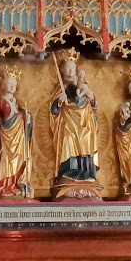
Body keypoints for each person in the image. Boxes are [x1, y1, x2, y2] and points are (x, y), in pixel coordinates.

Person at [50, 54, 99, 191]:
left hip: (84, 122)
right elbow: (53, 111)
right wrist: (59, 102)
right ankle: (69, 172)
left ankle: (87, 172)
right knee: (68, 140)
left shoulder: (82, 85)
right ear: (62, 71)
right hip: (68, 124)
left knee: (87, 139)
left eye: (73, 67)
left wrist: (92, 99)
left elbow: (93, 108)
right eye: (67, 68)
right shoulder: (60, 89)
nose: (71, 70)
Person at [0, 70, 32, 198]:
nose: (12, 86)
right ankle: (3, 185)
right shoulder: (0, 101)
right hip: (6, 136)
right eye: (9, 83)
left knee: (19, 157)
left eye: (14, 84)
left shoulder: (18, 102)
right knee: (5, 158)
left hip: (18, 137)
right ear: (3, 85)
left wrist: (27, 117)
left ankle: (16, 184)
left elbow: (24, 114)